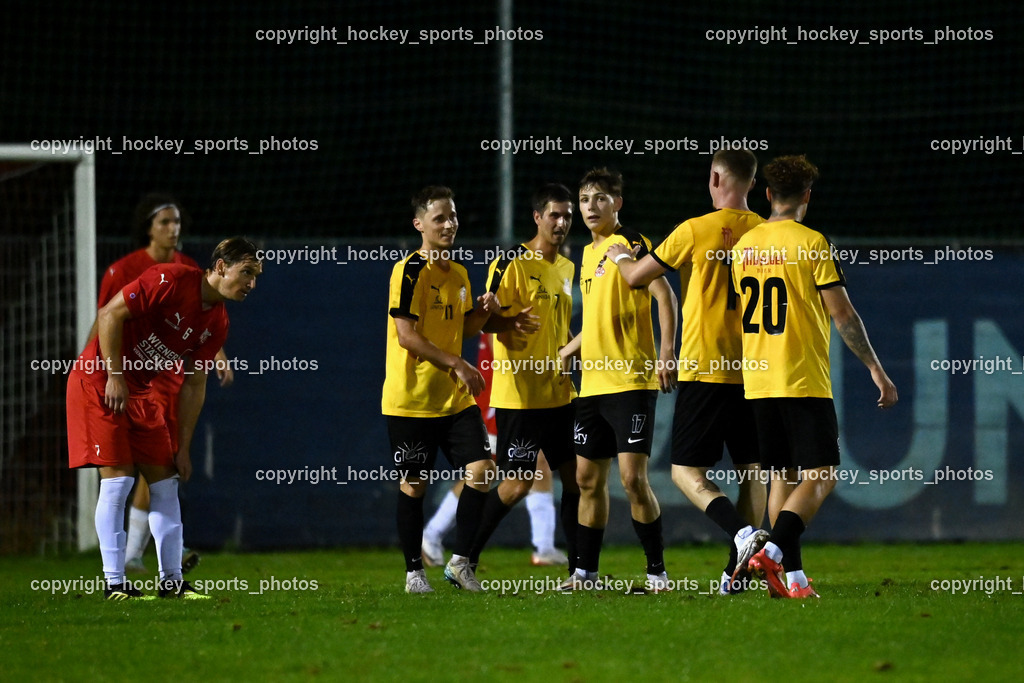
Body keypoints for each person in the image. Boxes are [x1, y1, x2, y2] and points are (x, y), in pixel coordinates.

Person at [730, 155, 898, 598]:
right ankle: (772, 554)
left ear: (767, 195)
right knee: (822, 475)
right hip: (800, 378)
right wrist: (876, 369)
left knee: (780, 477)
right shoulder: (811, 243)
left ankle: (795, 581)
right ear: (807, 196)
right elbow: (841, 313)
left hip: (759, 381)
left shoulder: (743, 247)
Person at [608, 150, 769, 594]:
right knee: (753, 470)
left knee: (685, 473)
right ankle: (735, 574)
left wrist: (622, 255)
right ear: (752, 185)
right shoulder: (767, 233)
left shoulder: (694, 229)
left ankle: (739, 534)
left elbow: (637, 277)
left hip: (706, 368)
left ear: (716, 177)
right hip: (756, 370)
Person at [67, 237, 261, 599]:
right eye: (246, 272)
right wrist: (115, 375)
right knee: (119, 480)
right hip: (99, 379)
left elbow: (194, 383)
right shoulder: (169, 280)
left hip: (139, 389)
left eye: (256, 276)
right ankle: (115, 584)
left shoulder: (217, 323)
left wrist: (183, 446)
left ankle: (171, 582)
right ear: (220, 267)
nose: (251, 284)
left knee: (166, 480)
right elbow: (109, 313)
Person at [91, 194, 234, 576]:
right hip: (126, 378)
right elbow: (107, 317)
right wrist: (100, 373)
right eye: (165, 223)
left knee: (164, 467)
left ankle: (146, 556)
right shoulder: (126, 269)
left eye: (177, 222)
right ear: (148, 228)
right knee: (121, 475)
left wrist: (216, 356)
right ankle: (122, 568)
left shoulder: (188, 268)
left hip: (165, 381)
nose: (174, 230)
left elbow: (201, 323)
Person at [383, 185, 510, 593]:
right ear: (419, 224)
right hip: (411, 401)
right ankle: (414, 574)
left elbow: (464, 328)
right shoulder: (409, 270)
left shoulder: (458, 274)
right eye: (440, 218)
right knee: (414, 486)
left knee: (481, 472)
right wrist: (457, 362)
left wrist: (483, 312)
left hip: (453, 400)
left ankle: (460, 564)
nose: (449, 224)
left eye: (452, 216)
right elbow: (406, 336)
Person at [560, 168, 678, 592]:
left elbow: (665, 295)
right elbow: (594, 323)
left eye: (600, 199)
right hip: (592, 385)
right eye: (585, 200)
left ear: (618, 204)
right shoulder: (587, 257)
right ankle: (584, 575)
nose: (591, 207)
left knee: (632, 480)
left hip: (631, 381)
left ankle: (657, 573)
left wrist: (667, 353)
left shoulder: (630, 244)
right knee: (587, 481)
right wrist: (566, 353)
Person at [457, 183, 580, 575]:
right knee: (515, 485)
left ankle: (582, 570)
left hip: (560, 392)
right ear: (537, 217)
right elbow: (480, 321)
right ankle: (464, 560)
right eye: (554, 215)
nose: (561, 223)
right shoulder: (510, 261)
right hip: (521, 395)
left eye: (567, 216)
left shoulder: (566, 267)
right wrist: (496, 314)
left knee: (577, 481)